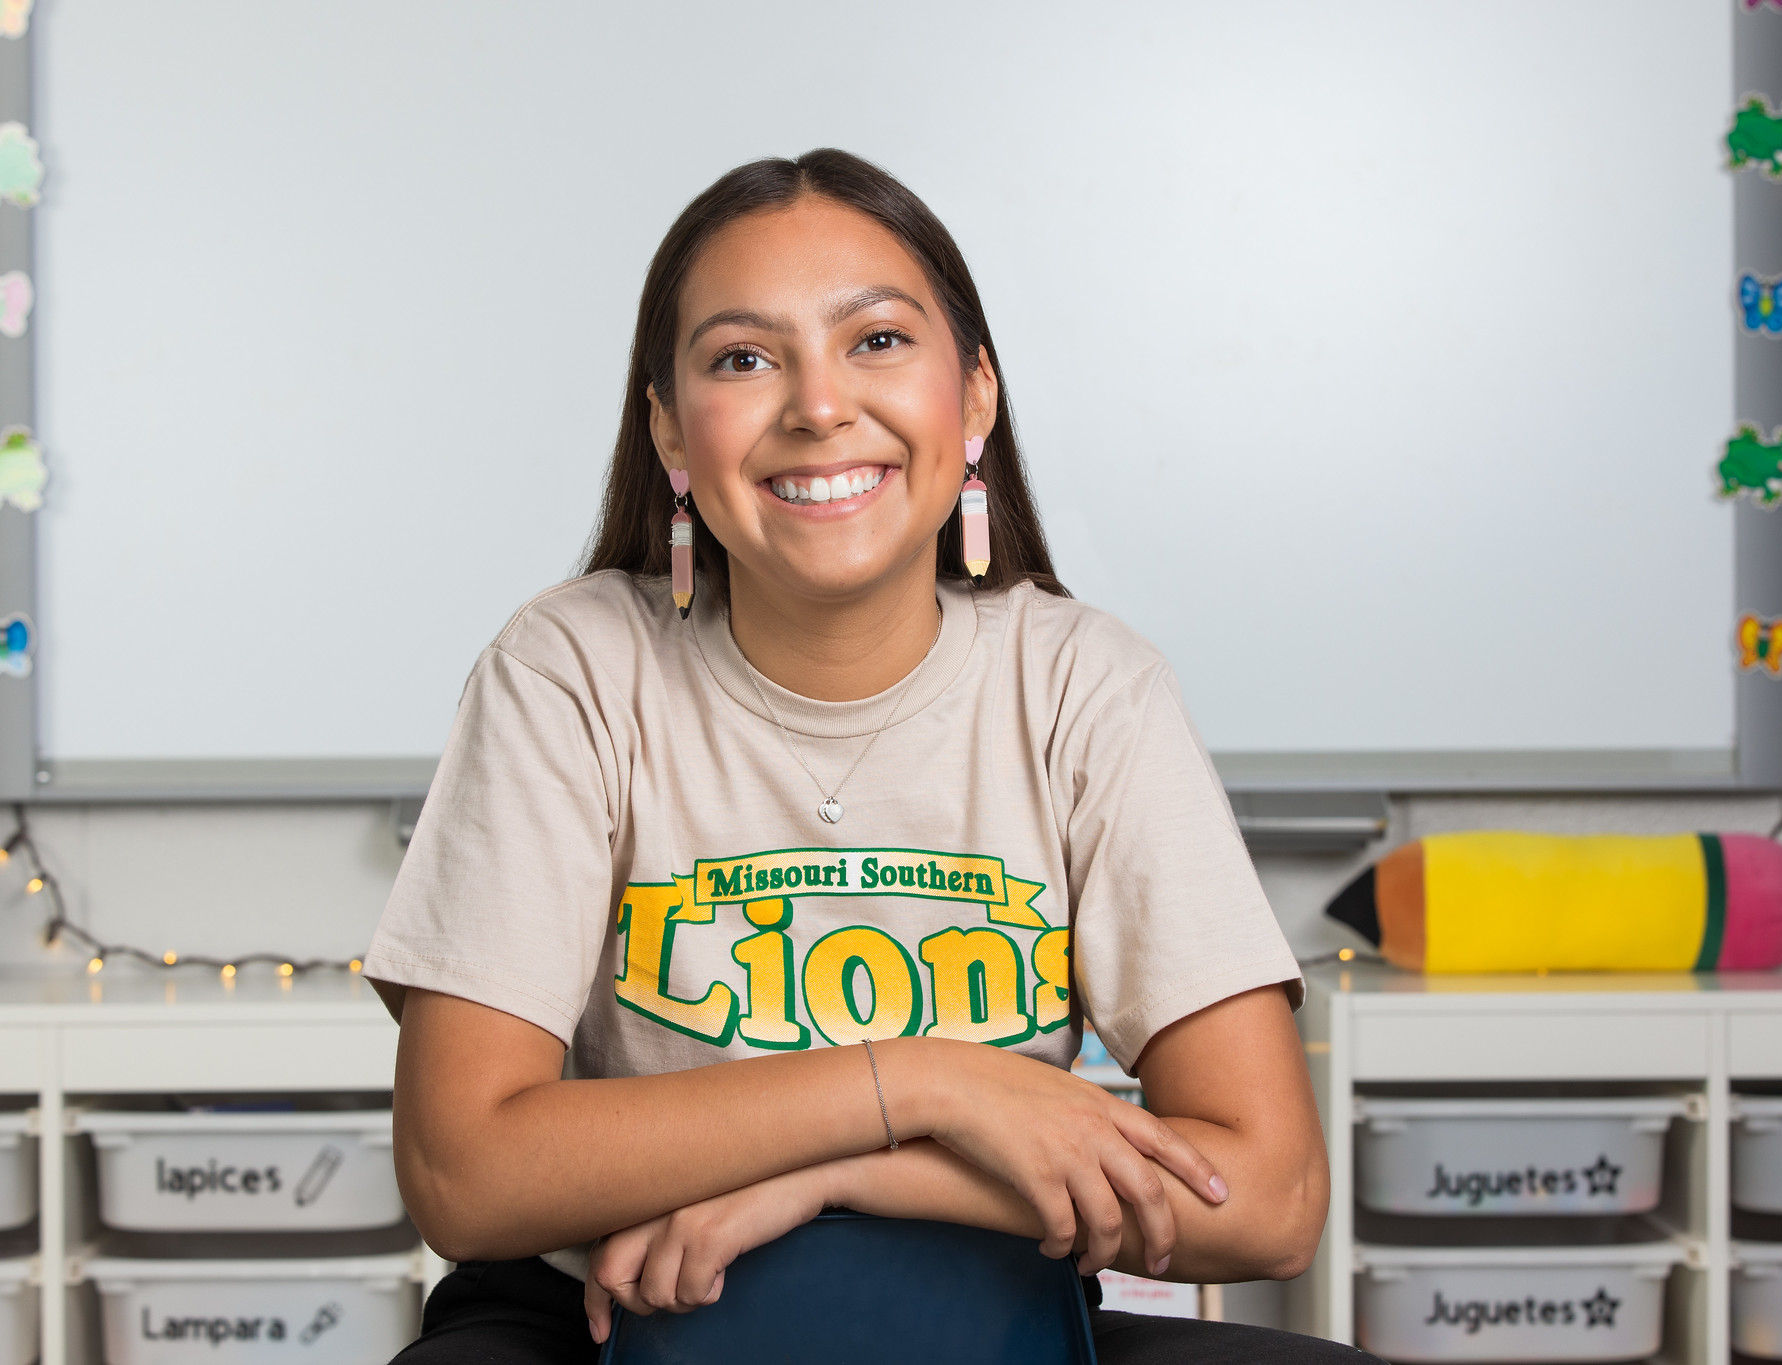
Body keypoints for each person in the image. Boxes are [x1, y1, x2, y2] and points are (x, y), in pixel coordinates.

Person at [364, 148, 1364, 1364]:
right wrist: (935, 1085)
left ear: (975, 398)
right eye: (743, 358)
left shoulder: (1085, 685)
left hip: (981, 1305)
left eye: (877, 341)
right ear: (672, 434)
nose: (818, 404)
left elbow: (1268, 1201)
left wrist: (844, 1172)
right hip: (605, 1321)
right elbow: (465, 1174)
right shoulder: (568, 667)